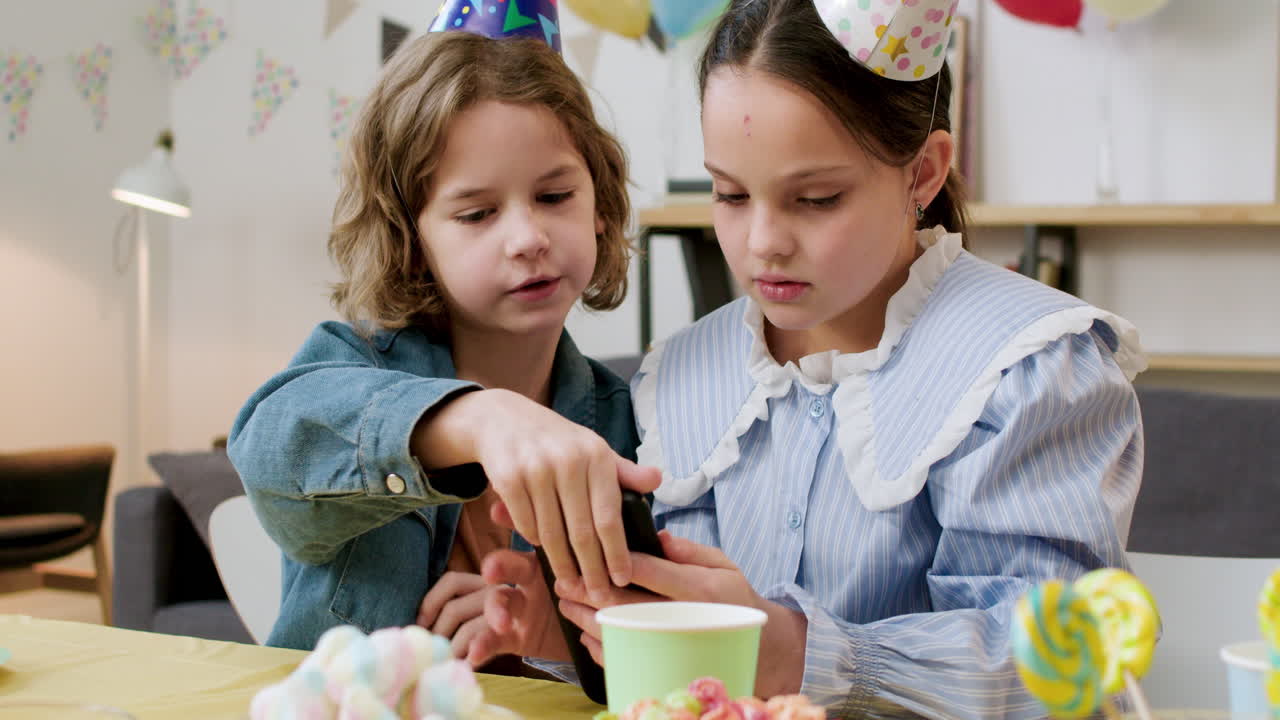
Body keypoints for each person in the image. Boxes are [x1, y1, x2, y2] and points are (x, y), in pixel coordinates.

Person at [471, 0, 1146, 716]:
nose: (763, 241)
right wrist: (584, 629)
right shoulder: (683, 377)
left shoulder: (1028, 367)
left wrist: (796, 651)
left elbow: (1063, 668)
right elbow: (683, 680)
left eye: (816, 198)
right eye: (729, 194)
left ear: (923, 173)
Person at [226, 0, 658, 653]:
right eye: (478, 213)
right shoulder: (352, 365)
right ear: (412, 239)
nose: (528, 237)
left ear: (599, 201)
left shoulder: (625, 420)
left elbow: (644, 639)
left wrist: (546, 634)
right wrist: (476, 419)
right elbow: (268, 447)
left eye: (554, 196)